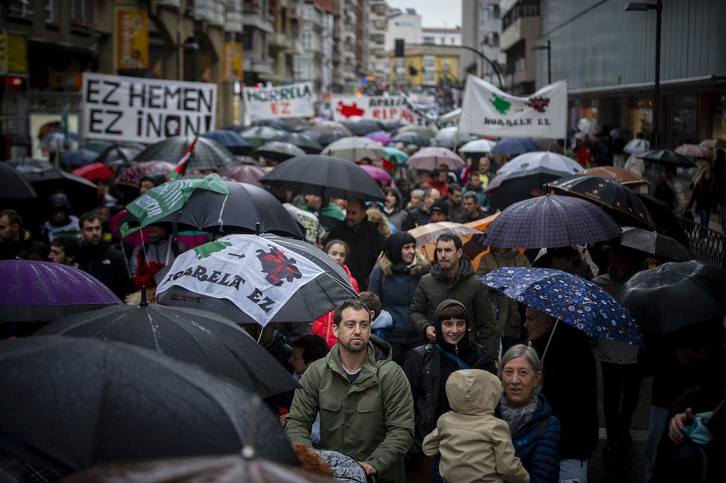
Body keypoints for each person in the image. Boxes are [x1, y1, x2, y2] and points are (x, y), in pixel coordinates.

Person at [285, 299, 415, 483]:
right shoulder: (317, 373)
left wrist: (373, 465)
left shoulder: (390, 374)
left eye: (364, 325)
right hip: (332, 476)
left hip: (380, 477)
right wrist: (311, 462)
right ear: (336, 330)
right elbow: (297, 421)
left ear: (370, 328)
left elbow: (402, 429)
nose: (357, 331)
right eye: (350, 324)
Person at [403, 299, 497, 481]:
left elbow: (491, 402)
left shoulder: (481, 357)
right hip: (429, 445)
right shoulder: (420, 357)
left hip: (470, 446)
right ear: (438, 325)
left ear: (467, 325)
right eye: (448, 324)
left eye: (460, 324)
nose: (454, 330)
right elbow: (407, 403)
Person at [524, 307, 598, 482]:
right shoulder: (541, 348)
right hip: (544, 450)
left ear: (548, 322)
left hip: (569, 452)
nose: (525, 324)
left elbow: (565, 406)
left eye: (530, 319)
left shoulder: (574, 354)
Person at [422, 369, 530, 483]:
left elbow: (428, 449)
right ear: (492, 393)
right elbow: (508, 468)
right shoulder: (496, 426)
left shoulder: (445, 420)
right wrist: (525, 478)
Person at [592, 245, 644, 456]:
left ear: (630, 261)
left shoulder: (642, 283)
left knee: (632, 395)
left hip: (635, 351)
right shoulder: (601, 284)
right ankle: (614, 437)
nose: (617, 266)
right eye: (613, 261)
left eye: (621, 261)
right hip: (610, 351)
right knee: (611, 398)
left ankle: (623, 428)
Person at [409, 233, 498, 357]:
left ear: (459, 253)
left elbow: (486, 325)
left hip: (466, 353)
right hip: (435, 352)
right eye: (439, 250)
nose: (443, 255)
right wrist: (426, 327)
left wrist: (491, 357)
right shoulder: (426, 281)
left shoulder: (475, 283)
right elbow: (415, 312)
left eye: (448, 250)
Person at [496, 345, 562, 483]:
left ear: (537, 378)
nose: (514, 380)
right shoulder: (487, 412)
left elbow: (543, 478)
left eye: (523, 373)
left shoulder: (547, 425)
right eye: (508, 372)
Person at [368, 231, 430, 365]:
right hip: (389, 338)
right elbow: (372, 305)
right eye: (407, 247)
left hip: (417, 337)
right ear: (396, 249)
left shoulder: (422, 272)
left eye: (413, 247)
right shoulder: (380, 272)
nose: (412, 251)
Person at [475, 247, 531, 354]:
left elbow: (529, 284)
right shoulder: (487, 258)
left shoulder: (522, 259)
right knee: (492, 357)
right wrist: (498, 283)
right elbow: (479, 281)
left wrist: (515, 283)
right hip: (492, 318)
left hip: (515, 320)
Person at [325, 197, 384, 289]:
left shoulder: (374, 234)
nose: (349, 216)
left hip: (365, 286)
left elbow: (381, 257)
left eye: (353, 213)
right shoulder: (337, 232)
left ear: (363, 214)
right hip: (338, 284)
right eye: (348, 212)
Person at [312, 240, 359, 349]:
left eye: (342, 255)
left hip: (339, 339)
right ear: (326, 254)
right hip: (315, 337)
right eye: (334, 254)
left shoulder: (351, 282)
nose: (338, 258)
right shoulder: (315, 277)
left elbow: (354, 311)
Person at [76, 212, 135, 299]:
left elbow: (128, 289)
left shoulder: (115, 256)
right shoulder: (76, 255)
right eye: (89, 229)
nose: (95, 233)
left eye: (97, 228)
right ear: (81, 232)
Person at [129, 224, 188, 289]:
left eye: (155, 224)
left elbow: (187, 276)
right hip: (146, 296)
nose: (150, 227)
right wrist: (152, 280)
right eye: (148, 224)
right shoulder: (140, 250)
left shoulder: (180, 248)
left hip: (172, 294)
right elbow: (133, 279)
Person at [686, 168, 718, 239]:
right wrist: (689, 205)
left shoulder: (712, 185)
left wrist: (715, 208)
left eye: (709, 174)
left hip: (708, 206)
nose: (707, 176)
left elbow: (714, 198)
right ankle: (701, 236)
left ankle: (705, 235)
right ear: (704, 175)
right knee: (703, 219)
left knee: (706, 221)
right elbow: (694, 196)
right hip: (701, 205)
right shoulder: (700, 184)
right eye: (706, 174)